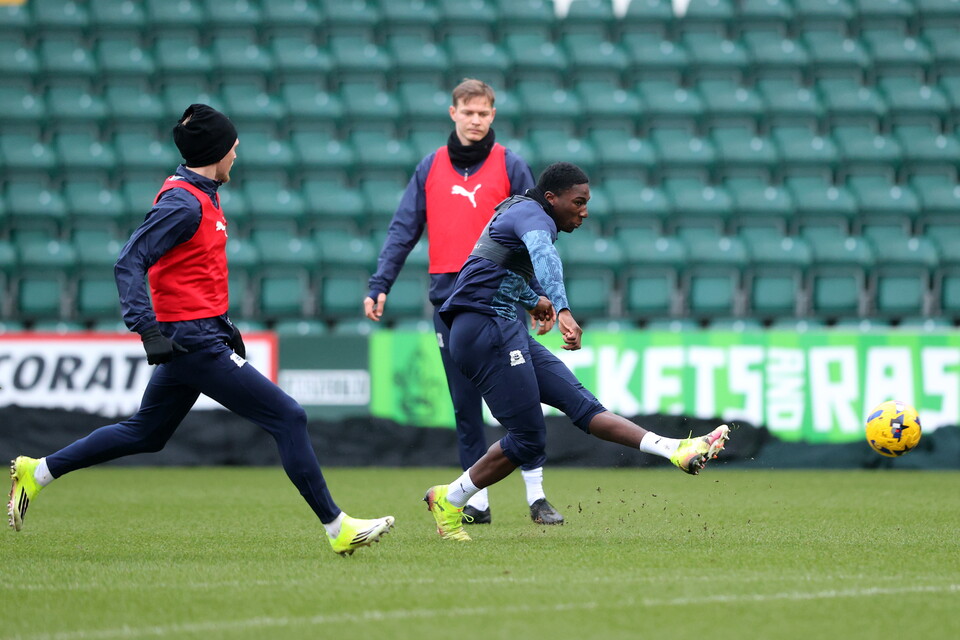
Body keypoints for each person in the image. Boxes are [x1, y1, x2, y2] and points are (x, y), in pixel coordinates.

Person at [7, 104, 394, 556]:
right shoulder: (183, 203)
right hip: (191, 340)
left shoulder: (201, 193)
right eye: (233, 147)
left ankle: (39, 471)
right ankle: (337, 527)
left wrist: (222, 324)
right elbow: (128, 262)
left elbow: (191, 274)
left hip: (196, 333)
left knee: (146, 433)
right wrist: (146, 328)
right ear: (216, 152)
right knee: (289, 416)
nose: (236, 154)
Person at [423, 162, 731, 542]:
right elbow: (542, 255)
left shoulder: (518, 211)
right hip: (484, 329)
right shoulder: (535, 217)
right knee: (528, 438)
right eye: (578, 202)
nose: (584, 210)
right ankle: (449, 499)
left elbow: (494, 270)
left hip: (500, 326)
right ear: (551, 199)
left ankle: (676, 450)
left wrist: (533, 300)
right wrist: (561, 307)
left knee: (584, 407)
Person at [365, 78, 564, 525]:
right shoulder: (429, 168)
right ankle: (476, 503)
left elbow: (537, 237)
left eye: (484, 113)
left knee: (524, 398)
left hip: (501, 299)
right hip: (449, 303)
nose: (476, 120)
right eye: (468, 112)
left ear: (493, 116)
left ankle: (536, 495)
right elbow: (403, 229)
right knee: (464, 405)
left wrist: (540, 299)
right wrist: (381, 283)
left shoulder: (511, 165)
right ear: (453, 113)